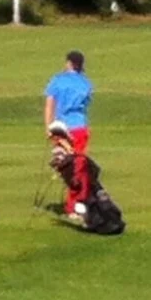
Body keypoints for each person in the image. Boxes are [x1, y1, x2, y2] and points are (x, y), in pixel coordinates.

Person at [42, 49, 94, 217]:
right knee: (77, 166)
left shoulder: (57, 80)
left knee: (65, 166)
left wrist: (48, 126)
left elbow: (50, 104)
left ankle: (73, 205)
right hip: (79, 128)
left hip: (61, 129)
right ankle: (76, 203)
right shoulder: (86, 83)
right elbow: (85, 106)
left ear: (69, 63)